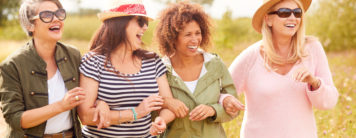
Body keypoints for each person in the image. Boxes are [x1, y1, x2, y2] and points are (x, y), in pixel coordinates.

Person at [223, 0, 339, 137]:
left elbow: (329, 102)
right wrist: (225, 100)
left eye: (297, 13)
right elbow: (221, 92)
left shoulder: (313, 48)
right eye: (284, 13)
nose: (293, 18)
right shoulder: (250, 56)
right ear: (268, 19)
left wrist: (315, 83)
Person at [77, 0, 174, 137]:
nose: (145, 27)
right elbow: (86, 117)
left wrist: (162, 119)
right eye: (140, 21)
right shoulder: (93, 61)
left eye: (145, 22)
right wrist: (136, 113)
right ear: (120, 24)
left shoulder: (152, 61)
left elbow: (167, 105)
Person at [150, 2, 241, 137]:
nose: (195, 40)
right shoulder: (160, 69)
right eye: (188, 35)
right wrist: (167, 103)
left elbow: (234, 108)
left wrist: (213, 110)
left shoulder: (215, 64)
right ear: (173, 38)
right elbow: (150, 111)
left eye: (197, 33)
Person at [0, 0, 85, 137]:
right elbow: (15, 119)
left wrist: (102, 104)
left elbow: (89, 97)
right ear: (30, 25)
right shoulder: (12, 65)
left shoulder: (73, 55)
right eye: (47, 15)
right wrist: (60, 106)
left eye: (59, 14)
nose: (56, 19)